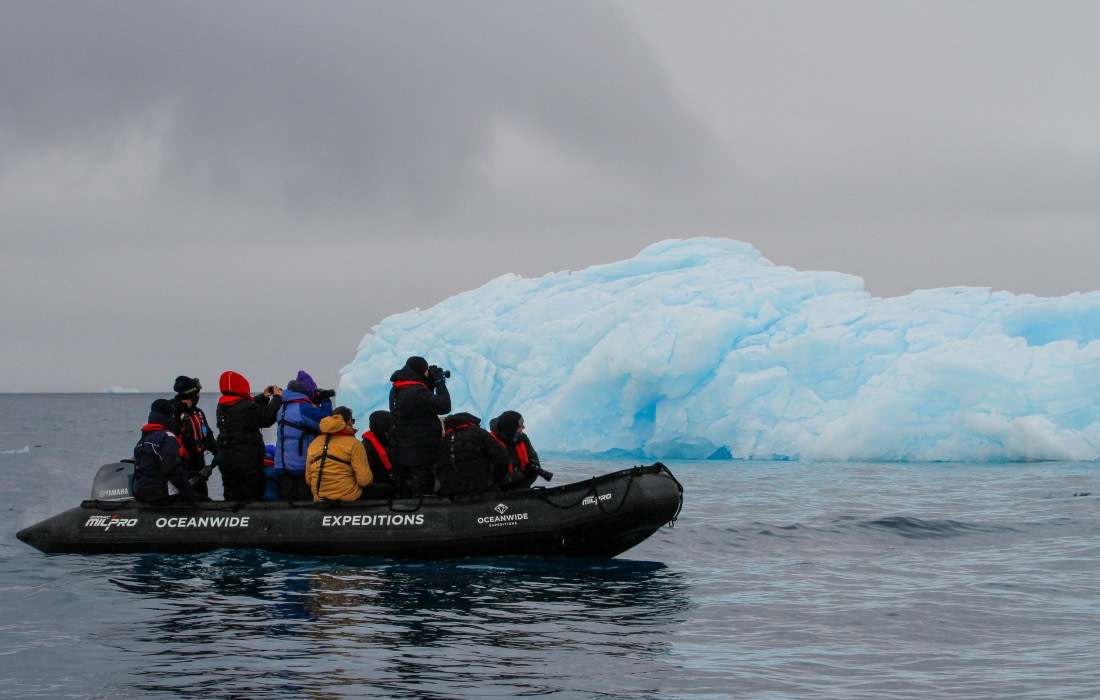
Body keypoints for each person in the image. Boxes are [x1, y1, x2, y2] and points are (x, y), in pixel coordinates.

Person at [215, 370, 283, 501]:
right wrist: (278, 397)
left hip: (226, 458)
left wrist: (264, 396)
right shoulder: (243, 408)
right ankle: (252, 520)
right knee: (253, 495)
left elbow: (247, 406)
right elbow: (267, 416)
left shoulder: (223, 405)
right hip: (246, 461)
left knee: (232, 495)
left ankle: (232, 519)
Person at [388, 356, 451, 495]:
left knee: (409, 490)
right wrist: (440, 383)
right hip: (421, 451)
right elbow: (444, 406)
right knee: (424, 490)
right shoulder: (416, 391)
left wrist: (429, 383)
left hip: (404, 450)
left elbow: (419, 403)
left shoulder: (397, 389)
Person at [306, 406, 394, 501]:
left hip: (320, 497)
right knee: (387, 489)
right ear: (349, 422)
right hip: (348, 496)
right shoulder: (354, 444)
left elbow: (309, 480)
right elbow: (365, 481)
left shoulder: (315, 443)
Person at [132, 398, 207, 505]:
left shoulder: (144, 438)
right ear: (169, 416)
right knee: (202, 500)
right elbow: (172, 470)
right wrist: (191, 494)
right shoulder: (167, 436)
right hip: (162, 494)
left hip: (143, 492)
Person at [274, 370, 334, 501]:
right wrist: (325, 400)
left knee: (287, 503)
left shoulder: (284, 406)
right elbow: (326, 422)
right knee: (305, 503)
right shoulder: (303, 407)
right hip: (300, 465)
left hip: (282, 464)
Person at [433, 411, 511, 497]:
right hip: (482, 489)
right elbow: (502, 458)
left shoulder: (444, 441)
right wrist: (495, 479)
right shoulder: (478, 433)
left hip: (452, 493)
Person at [170, 375, 217, 497]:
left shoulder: (198, 413)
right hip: (179, 468)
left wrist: (221, 453)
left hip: (199, 469)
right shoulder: (172, 412)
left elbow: (209, 439)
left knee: (202, 500)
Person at [490, 410, 550, 490]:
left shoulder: (522, 439)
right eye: (520, 425)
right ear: (511, 428)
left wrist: (523, 483)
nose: (524, 427)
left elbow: (535, 463)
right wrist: (522, 474)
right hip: (498, 493)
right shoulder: (490, 442)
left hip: (521, 489)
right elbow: (495, 478)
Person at [361, 410, 399, 492]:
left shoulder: (388, 442)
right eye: (390, 425)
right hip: (378, 484)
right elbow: (372, 475)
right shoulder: (366, 447)